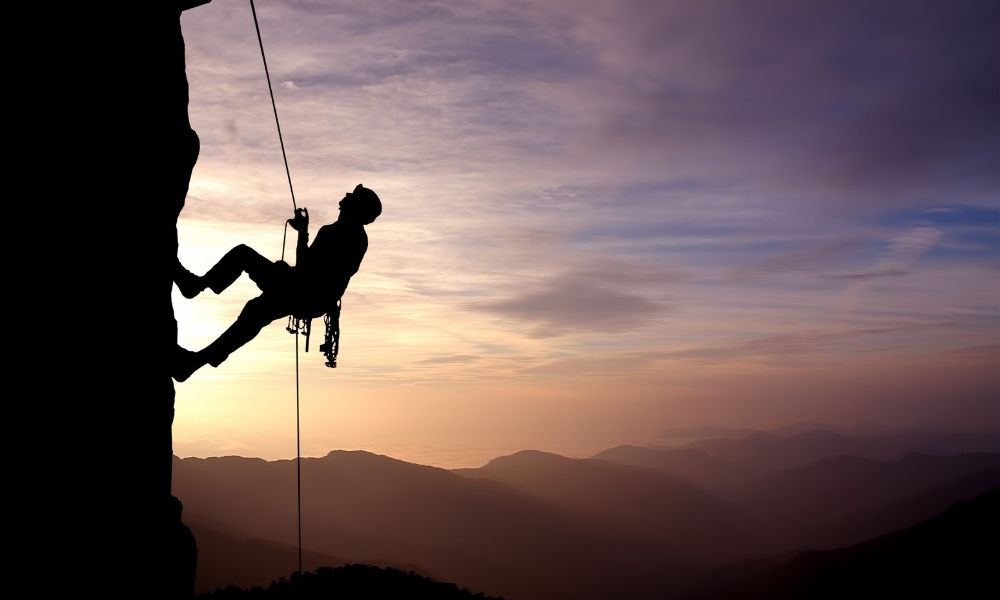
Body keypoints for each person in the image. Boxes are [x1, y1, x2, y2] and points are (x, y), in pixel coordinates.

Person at [172, 184, 381, 381]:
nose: (345, 197)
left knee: (244, 261)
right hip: (310, 295)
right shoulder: (350, 235)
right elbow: (310, 269)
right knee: (255, 311)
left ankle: (195, 289)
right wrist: (301, 240)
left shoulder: (340, 234)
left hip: (304, 293)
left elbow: (308, 268)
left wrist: (302, 233)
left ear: (356, 208)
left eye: (351, 198)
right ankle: (194, 362)